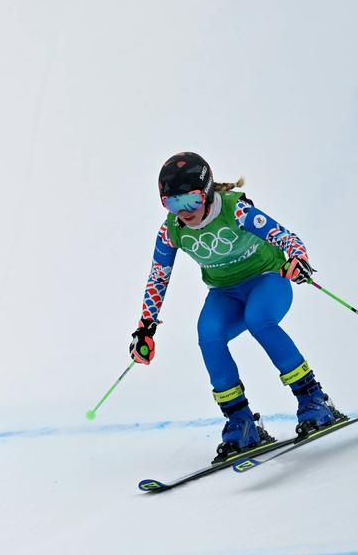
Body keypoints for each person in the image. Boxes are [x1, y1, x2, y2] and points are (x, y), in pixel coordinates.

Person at [129, 152, 345, 463]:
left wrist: (299, 259)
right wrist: (145, 327)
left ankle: (314, 400)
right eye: (172, 204)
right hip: (226, 293)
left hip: (267, 280)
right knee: (209, 333)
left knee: (259, 320)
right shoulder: (171, 230)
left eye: (189, 201)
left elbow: (286, 238)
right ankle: (241, 422)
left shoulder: (236, 209)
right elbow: (158, 277)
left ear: (205, 193)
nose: (184, 212)